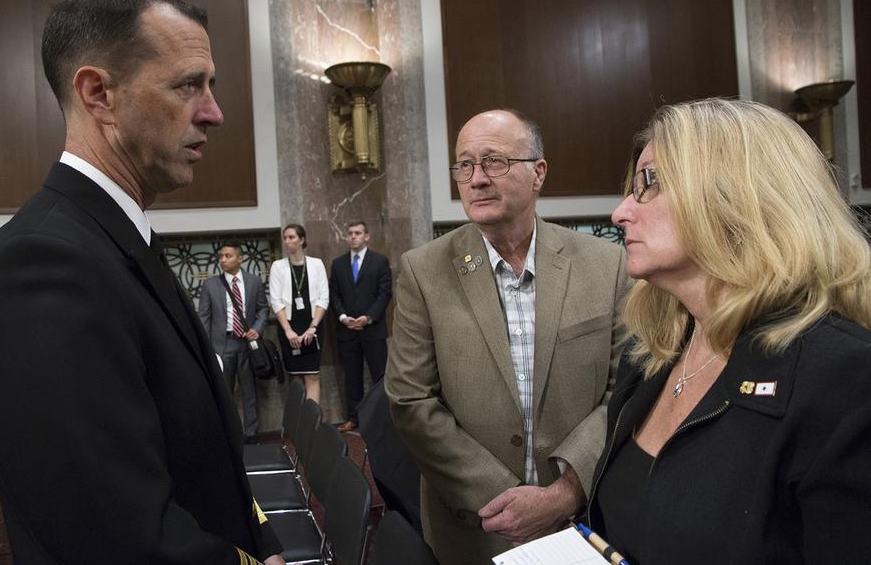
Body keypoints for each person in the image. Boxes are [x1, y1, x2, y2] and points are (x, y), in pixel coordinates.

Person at [0, 0, 285, 563]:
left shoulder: (117, 240)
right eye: (189, 86)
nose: (214, 112)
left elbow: (207, 459)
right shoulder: (40, 269)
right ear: (99, 95)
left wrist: (265, 543)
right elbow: (121, 538)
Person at [586, 98, 871, 564]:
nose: (619, 213)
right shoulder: (652, 353)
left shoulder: (849, 378)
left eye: (649, 183)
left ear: (735, 195)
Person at [385, 109, 632, 564]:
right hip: (477, 525)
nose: (476, 178)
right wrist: (511, 500)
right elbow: (410, 399)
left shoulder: (606, 265)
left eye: (494, 161)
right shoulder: (423, 270)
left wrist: (562, 494)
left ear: (538, 172)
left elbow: (626, 391)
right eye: (465, 165)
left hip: (584, 517)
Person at [199, 241, 268, 444]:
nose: (223, 260)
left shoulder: (254, 281)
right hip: (222, 344)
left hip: (247, 344)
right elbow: (204, 318)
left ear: (240, 258)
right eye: (221, 256)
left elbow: (263, 308)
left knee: (249, 391)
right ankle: (227, 433)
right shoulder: (210, 285)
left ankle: (251, 434)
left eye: (228, 256)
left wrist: (258, 328)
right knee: (224, 392)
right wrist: (207, 348)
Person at [330, 221, 393, 431]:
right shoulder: (338, 264)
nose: (353, 237)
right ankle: (354, 418)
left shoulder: (379, 261)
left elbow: (385, 293)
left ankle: (383, 417)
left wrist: (368, 317)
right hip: (347, 330)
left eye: (358, 233)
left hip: (372, 330)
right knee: (352, 377)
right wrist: (343, 317)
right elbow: (335, 295)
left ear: (367, 236)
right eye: (350, 233)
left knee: (379, 376)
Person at [269, 224, 329, 403]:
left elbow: (323, 298)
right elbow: (276, 301)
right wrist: (288, 330)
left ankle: (313, 425)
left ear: (302, 240)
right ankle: (298, 425)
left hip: (312, 325)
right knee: (295, 378)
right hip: (289, 326)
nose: (287, 241)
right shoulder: (278, 266)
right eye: (285, 238)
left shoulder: (316, 264)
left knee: (312, 375)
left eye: (291, 237)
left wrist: (313, 327)